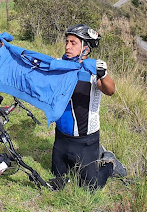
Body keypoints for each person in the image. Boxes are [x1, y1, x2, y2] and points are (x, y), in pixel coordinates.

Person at [50, 24, 126, 190]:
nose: (67, 46)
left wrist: (103, 74)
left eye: (73, 43)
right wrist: (7, 49)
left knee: (91, 187)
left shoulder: (93, 70)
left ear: (85, 48)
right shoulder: (58, 65)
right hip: (61, 138)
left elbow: (110, 90)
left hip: (85, 141)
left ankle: (110, 163)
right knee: (57, 177)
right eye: (67, 41)